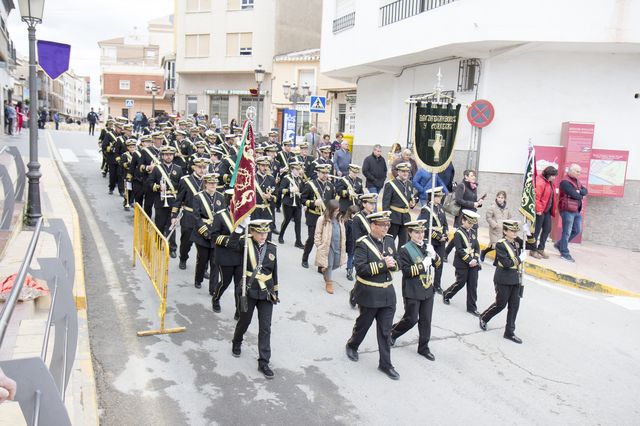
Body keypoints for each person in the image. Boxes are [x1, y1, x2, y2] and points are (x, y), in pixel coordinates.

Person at [345, 211, 400, 380]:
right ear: (373, 226)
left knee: (385, 331)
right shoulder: (362, 244)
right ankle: (352, 345)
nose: (386, 228)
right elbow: (361, 269)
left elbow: (396, 263)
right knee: (364, 324)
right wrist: (383, 264)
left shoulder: (390, 240)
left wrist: (392, 265)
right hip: (370, 293)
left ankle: (385, 364)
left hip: (388, 294)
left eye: (387, 224)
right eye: (382, 225)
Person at [231, 219, 279, 380]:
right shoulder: (245, 245)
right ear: (252, 232)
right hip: (249, 290)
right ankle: (237, 341)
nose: (263, 236)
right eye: (260, 233)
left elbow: (275, 271)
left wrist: (276, 291)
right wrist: (240, 227)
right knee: (244, 321)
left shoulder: (272, 248)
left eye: (265, 232)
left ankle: (264, 362)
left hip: (266, 292)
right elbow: (231, 244)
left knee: (266, 327)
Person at [390, 220, 440, 361]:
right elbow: (406, 272)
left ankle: (423, 348)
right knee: (411, 319)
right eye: (417, 232)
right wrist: (423, 265)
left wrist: (434, 255)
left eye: (422, 232)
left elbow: (438, 264)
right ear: (410, 233)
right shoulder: (405, 249)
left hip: (427, 289)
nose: (420, 235)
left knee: (426, 320)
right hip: (412, 290)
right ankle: (393, 333)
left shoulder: (427, 246)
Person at [479, 220, 524, 344]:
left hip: (516, 279)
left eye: (516, 231)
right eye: (512, 231)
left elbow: (532, 245)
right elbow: (506, 263)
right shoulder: (501, 245)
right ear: (505, 231)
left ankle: (509, 332)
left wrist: (529, 234)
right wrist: (520, 259)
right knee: (501, 304)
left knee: (514, 306)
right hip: (503, 279)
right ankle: (484, 317)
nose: (515, 233)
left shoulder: (517, 241)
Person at [191, 173, 226, 298]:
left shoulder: (221, 197)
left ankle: (213, 288)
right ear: (205, 184)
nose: (213, 185)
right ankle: (198, 279)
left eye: (215, 183)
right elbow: (196, 217)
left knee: (215, 262)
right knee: (202, 259)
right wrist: (205, 232)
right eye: (210, 183)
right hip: (202, 234)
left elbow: (223, 216)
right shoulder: (198, 197)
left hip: (216, 234)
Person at [173, 157, 210, 270]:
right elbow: (179, 199)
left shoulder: (210, 182)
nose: (202, 170)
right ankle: (183, 258)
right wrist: (174, 215)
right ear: (194, 167)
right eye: (199, 167)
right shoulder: (186, 180)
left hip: (203, 219)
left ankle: (203, 269)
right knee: (186, 242)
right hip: (189, 216)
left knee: (204, 246)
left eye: (204, 167)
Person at [442, 209, 481, 316]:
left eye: (472, 223)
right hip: (462, 263)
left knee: (473, 285)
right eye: (469, 222)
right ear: (463, 221)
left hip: (473, 263)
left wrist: (476, 259)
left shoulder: (473, 232)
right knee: (460, 283)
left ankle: (472, 307)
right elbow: (459, 250)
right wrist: (469, 260)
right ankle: (447, 294)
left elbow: (477, 248)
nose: (470, 225)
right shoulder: (458, 233)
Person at [148, 146, 183, 258]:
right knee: (160, 224)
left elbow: (182, 186)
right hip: (161, 201)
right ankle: (158, 244)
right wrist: (158, 187)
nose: (168, 156)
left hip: (173, 201)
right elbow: (149, 183)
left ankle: (172, 247)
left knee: (172, 225)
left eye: (171, 154)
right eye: (166, 154)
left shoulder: (178, 169)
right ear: (162, 156)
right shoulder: (157, 168)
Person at [300, 164, 335, 268]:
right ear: (318, 173)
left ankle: (321, 264)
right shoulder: (310, 185)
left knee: (324, 241)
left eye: (326, 173)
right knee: (311, 239)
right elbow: (302, 199)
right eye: (323, 173)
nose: (325, 175)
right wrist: (313, 203)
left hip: (325, 217)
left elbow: (332, 201)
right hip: (313, 216)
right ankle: (305, 259)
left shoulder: (331, 186)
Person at [418, 187, 448, 294]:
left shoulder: (441, 208)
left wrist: (445, 234)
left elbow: (445, 224)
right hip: (431, 240)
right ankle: (426, 281)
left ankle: (437, 284)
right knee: (428, 262)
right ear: (432, 197)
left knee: (439, 263)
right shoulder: (426, 209)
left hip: (441, 240)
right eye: (438, 196)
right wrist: (438, 236)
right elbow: (425, 226)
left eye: (440, 196)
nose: (440, 198)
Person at [555, 164, 588, 262]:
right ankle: (564, 253)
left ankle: (560, 244)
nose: (579, 173)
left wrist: (579, 192)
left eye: (579, 171)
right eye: (577, 171)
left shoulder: (577, 181)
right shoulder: (565, 182)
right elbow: (574, 194)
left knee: (577, 230)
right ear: (570, 171)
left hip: (576, 210)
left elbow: (585, 191)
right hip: (567, 210)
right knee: (567, 232)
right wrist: (579, 193)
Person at [314, 200, 346, 294]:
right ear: (330, 210)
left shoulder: (340, 219)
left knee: (337, 263)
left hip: (338, 245)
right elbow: (317, 233)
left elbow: (342, 232)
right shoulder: (322, 219)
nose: (337, 212)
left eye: (338, 210)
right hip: (328, 246)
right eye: (335, 211)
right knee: (330, 264)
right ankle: (329, 282)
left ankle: (326, 271)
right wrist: (319, 245)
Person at [382, 162, 415, 251]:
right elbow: (385, 203)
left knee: (404, 243)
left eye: (407, 171)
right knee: (389, 241)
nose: (405, 173)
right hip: (394, 217)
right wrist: (386, 219)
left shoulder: (409, 184)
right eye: (403, 171)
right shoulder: (390, 184)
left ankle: (401, 262)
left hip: (405, 218)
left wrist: (412, 204)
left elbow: (410, 199)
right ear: (398, 172)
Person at [531, 166, 558, 259]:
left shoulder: (550, 182)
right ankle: (533, 250)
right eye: (553, 175)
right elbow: (536, 197)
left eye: (555, 176)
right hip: (540, 211)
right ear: (548, 174)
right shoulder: (540, 182)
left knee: (547, 229)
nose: (554, 177)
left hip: (547, 211)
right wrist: (538, 209)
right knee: (536, 231)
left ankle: (541, 249)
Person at [480, 191, 513, 262]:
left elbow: (509, 217)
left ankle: (495, 261)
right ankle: (484, 252)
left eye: (502, 198)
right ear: (496, 197)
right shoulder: (492, 207)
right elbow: (488, 217)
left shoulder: (506, 208)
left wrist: (508, 225)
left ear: (505, 199)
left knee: (499, 246)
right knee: (495, 245)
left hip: (503, 230)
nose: (500, 199)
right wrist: (495, 225)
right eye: (499, 197)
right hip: (494, 230)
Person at [277, 161, 304, 248]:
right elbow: (280, 190)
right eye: (296, 169)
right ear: (292, 169)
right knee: (287, 220)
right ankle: (281, 236)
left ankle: (298, 241)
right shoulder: (286, 178)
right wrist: (289, 190)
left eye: (299, 169)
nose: (298, 171)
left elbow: (302, 191)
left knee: (298, 222)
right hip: (288, 203)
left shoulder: (300, 179)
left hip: (297, 204)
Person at [342, 205, 359, 282]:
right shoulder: (348, 222)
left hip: (358, 243)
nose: (355, 215)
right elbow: (345, 234)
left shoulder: (358, 221)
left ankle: (351, 266)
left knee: (357, 258)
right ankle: (349, 271)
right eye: (354, 213)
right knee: (350, 257)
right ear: (350, 213)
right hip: (350, 243)